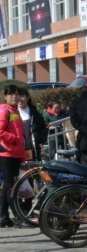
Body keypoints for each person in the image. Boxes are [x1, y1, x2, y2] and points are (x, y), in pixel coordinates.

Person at [0, 85, 25, 227]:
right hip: (6, 154)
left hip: (14, 153)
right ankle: (18, 217)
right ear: (5, 96)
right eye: (11, 94)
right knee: (11, 187)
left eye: (16, 94)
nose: (14, 97)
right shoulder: (4, 111)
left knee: (7, 187)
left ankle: (3, 217)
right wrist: (15, 139)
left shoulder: (15, 111)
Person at [17, 88, 48, 162]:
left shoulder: (35, 114)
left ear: (27, 98)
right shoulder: (11, 113)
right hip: (16, 150)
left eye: (22, 96)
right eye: (18, 96)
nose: (20, 99)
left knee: (31, 171)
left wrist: (39, 139)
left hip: (32, 149)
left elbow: (44, 128)